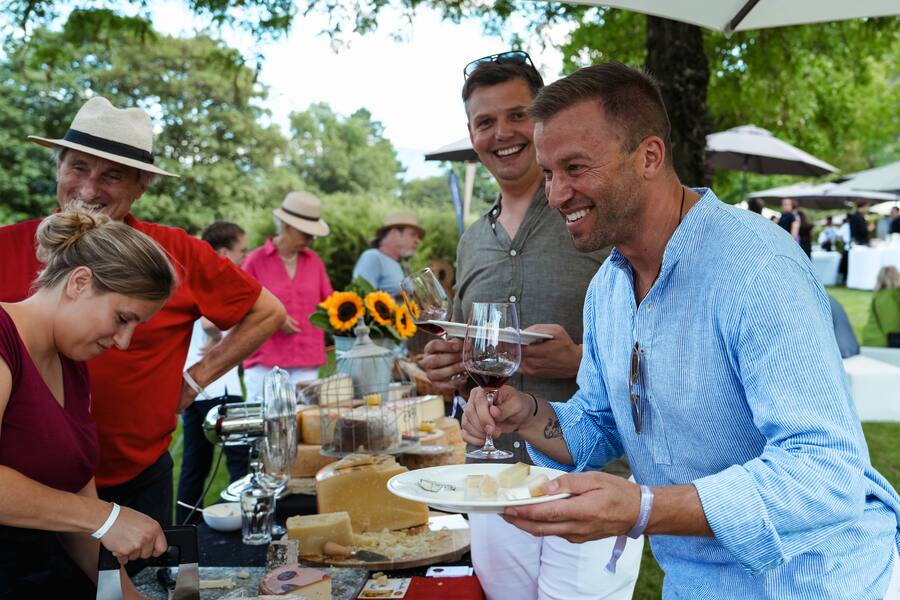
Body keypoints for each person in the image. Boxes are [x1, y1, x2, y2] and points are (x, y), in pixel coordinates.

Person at [463, 62, 900, 598]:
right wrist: (527, 414)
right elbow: (599, 425)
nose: (555, 195)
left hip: (816, 583)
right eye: (549, 173)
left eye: (575, 167)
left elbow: (826, 471)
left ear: (649, 156)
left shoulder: (757, 267)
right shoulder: (607, 289)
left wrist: (645, 507)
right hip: (694, 584)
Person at [0, 97, 285, 542]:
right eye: (78, 167)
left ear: (141, 186)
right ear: (58, 169)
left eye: (112, 175)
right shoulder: (5, 248)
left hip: (136, 477)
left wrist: (193, 381)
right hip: (19, 492)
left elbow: (268, 311)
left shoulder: (175, 254)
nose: (89, 189)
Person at [419, 51, 641, 600]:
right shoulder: (472, 239)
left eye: (517, 115)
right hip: (492, 475)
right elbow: (477, 355)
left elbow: (655, 340)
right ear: (472, 134)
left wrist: (578, 359)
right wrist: (452, 368)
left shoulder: (594, 215)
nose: (502, 134)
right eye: (484, 122)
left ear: (542, 120)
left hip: (593, 474)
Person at [1, 204, 175, 598]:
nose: (124, 342)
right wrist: (104, 516)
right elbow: (89, 515)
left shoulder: (72, 365)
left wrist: (128, 596)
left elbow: (76, 505)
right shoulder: (3, 337)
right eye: (122, 318)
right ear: (79, 282)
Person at [175, 221, 250, 525]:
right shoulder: (216, 280)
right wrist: (221, 336)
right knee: (239, 461)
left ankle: (186, 525)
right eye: (242, 251)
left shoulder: (191, 278)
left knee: (195, 465)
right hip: (218, 387)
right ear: (224, 253)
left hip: (197, 386)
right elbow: (209, 322)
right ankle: (240, 520)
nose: (245, 257)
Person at [242, 192, 333, 402]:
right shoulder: (255, 260)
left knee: (305, 418)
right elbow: (240, 304)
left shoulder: (314, 261)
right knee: (265, 419)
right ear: (287, 227)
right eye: (306, 234)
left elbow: (329, 303)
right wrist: (276, 317)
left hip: (307, 359)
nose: (311, 240)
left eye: (313, 235)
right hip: (265, 361)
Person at [352, 213, 425, 296]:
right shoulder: (373, 257)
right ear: (394, 233)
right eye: (413, 235)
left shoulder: (400, 264)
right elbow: (360, 295)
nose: (418, 241)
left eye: (418, 237)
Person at [861, 266, 900, 348]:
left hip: (872, 341)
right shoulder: (888, 297)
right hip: (880, 345)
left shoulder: (880, 296)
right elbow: (892, 328)